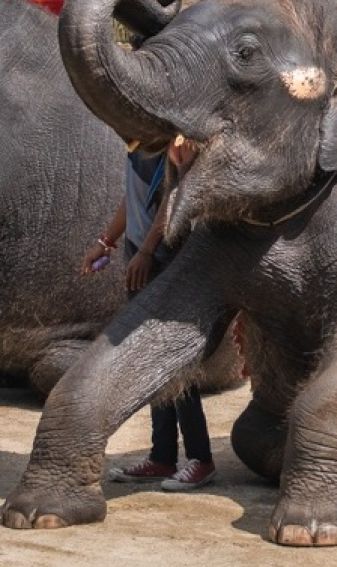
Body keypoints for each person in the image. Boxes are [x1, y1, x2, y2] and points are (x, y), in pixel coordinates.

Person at [81, 140, 217, 492]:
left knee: (174, 358)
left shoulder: (176, 143)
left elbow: (174, 197)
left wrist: (146, 251)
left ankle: (201, 458)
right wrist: (106, 241)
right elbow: (133, 198)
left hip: (167, 256)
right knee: (152, 357)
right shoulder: (138, 144)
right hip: (140, 256)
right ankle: (162, 455)